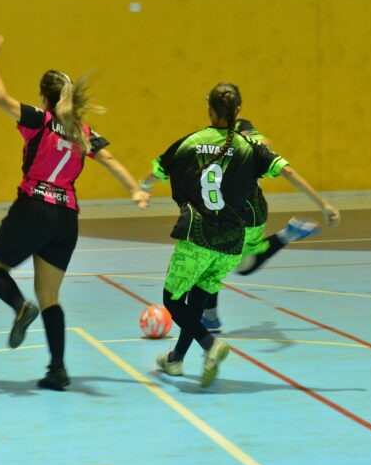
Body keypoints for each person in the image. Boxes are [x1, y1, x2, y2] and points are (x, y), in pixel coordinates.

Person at [140, 83, 340, 388]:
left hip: (198, 236)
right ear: (239, 112)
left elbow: (159, 169)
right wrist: (324, 204)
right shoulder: (251, 148)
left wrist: (142, 186)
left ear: (208, 110)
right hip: (233, 241)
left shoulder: (191, 143)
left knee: (173, 298)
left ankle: (210, 344)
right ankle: (176, 360)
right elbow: (288, 171)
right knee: (198, 299)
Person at [0, 34, 149, 391]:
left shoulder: (39, 120)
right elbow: (110, 160)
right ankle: (57, 370)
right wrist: (134, 189)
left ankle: (18, 306)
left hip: (34, 206)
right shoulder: (81, 131)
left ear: (44, 97)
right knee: (51, 298)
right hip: (66, 218)